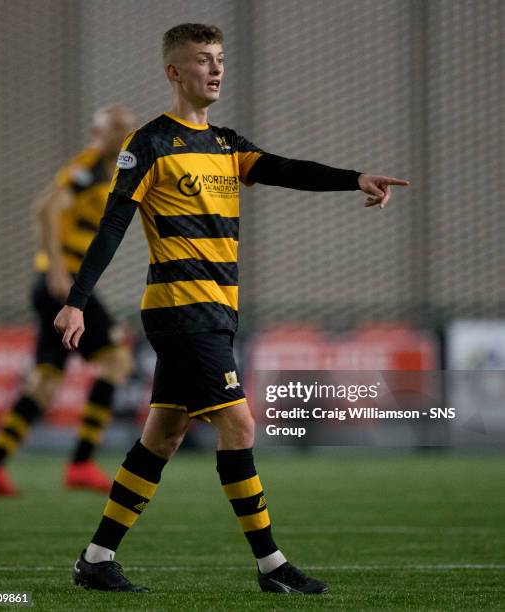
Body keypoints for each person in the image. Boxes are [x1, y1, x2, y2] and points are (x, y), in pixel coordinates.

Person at [54, 24, 409, 594]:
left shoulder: (224, 143)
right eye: (202, 60)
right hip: (181, 308)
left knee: (163, 435)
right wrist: (76, 302)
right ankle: (272, 566)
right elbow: (113, 224)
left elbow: (285, 169)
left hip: (218, 309)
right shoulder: (149, 144)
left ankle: (96, 560)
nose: (215, 69)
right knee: (239, 422)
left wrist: (354, 179)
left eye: (219, 59)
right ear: (174, 71)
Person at [0, 105, 138, 496]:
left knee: (45, 382)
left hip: (57, 286)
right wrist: (56, 269)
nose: (124, 133)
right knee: (115, 359)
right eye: (117, 127)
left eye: (128, 128)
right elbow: (45, 208)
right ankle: (81, 462)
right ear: (99, 130)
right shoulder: (91, 164)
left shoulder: (111, 169)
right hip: (60, 288)